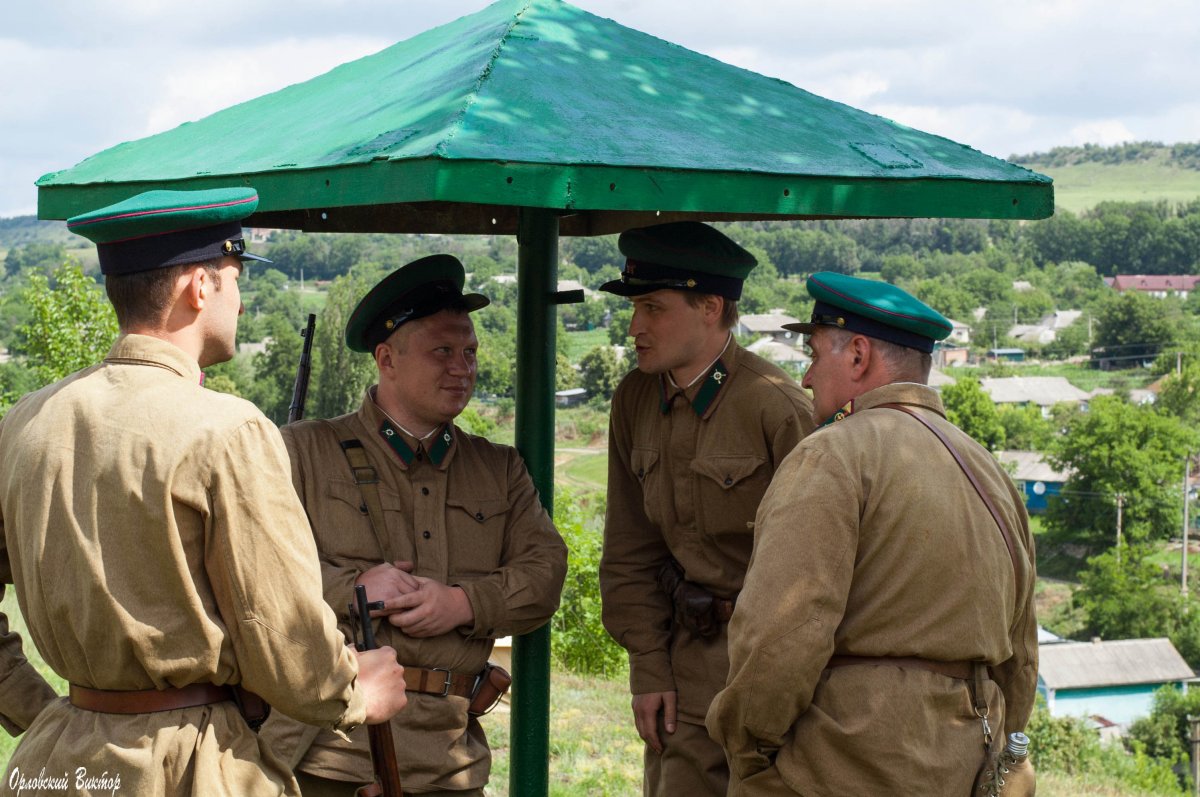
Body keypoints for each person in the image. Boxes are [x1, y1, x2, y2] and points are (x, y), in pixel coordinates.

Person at [0, 187, 408, 796]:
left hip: (55, 764)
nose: (239, 301)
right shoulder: (227, 430)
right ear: (199, 286)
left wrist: (44, 713)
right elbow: (282, 632)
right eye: (235, 279)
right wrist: (354, 691)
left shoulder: (27, 420)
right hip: (190, 768)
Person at [707, 272, 1038, 796]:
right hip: (966, 765)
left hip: (841, 767)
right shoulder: (988, 470)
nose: (807, 378)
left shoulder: (832, 454)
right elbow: (1021, 658)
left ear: (858, 356)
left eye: (814, 355)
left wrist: (746, 747)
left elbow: (781, 635)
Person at [260, 254, 567, 796]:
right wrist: (351, 589)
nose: (462, 368)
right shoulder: (304, 451)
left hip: (451, 760)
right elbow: (253, 569)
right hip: (327, 754)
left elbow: (545, 573)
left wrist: (462, 604)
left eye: (470, 352)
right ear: (387, 359)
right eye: (442, 352)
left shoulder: (498, 468)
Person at [597, 221, 814, 797]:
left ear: (711, 307)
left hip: (772, 676)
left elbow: (822, 568)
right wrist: (648, 666)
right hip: (683, 669)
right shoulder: (635, 397)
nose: (635, 327)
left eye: (653, 308)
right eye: (634, 308)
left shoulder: (777, 408)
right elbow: (629, 549)